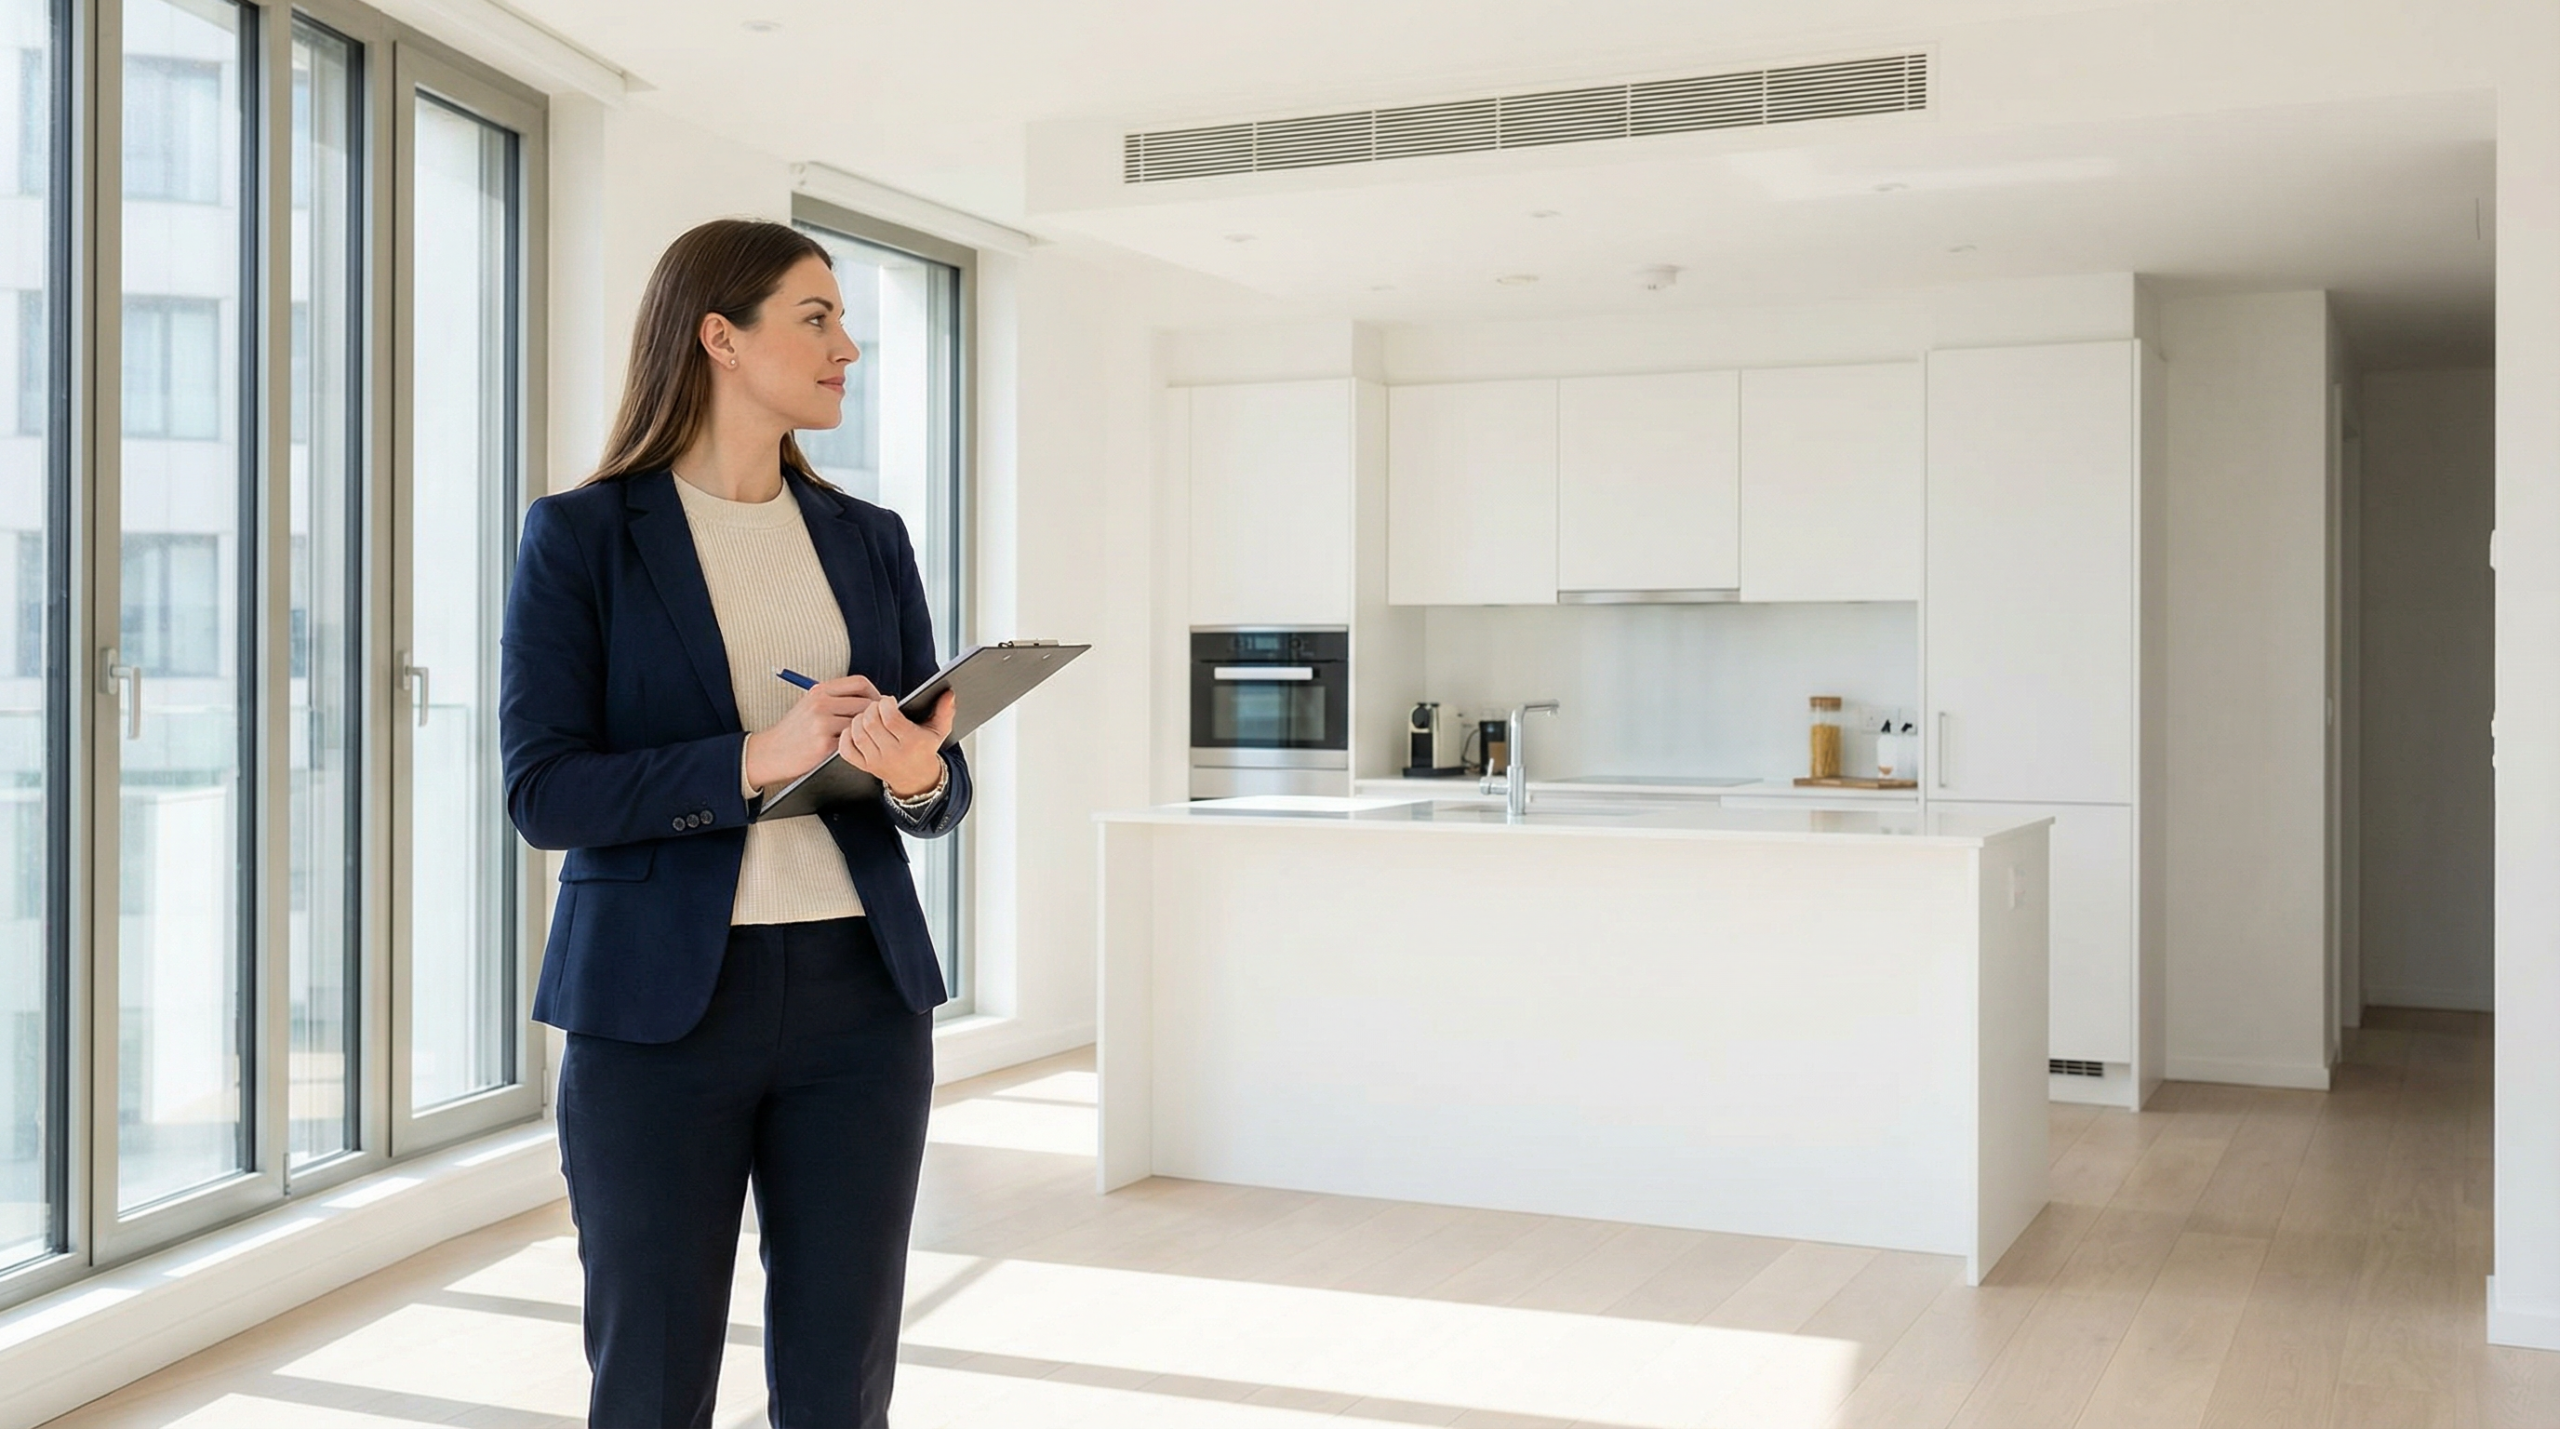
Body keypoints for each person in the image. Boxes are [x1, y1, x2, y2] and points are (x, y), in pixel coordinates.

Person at [499, 217, 969, 1428]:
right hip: (657, 1013)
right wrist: (761, 758)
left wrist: (916, 768)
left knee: (841, 1377)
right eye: (816, 318)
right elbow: (543, 791)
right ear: (719, 336)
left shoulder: (871, 542)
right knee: (651, 1380)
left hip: (861, 999)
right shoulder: (583, 536)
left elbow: (936, 787)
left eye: (845, 320)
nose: (847, 347)